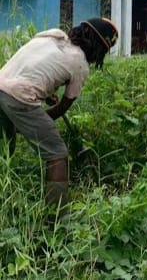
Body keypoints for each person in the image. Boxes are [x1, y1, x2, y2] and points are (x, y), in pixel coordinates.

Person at [0, 17, 119, 209]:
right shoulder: (80, 65)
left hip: (2, 84)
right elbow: (62, 108)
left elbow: (36, 67)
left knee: (5, 148)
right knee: (57, 153)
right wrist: (31, 124)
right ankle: (57, 218)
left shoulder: (52, 36)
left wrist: (45, 96)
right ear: (98, 48)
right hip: (19, 96)